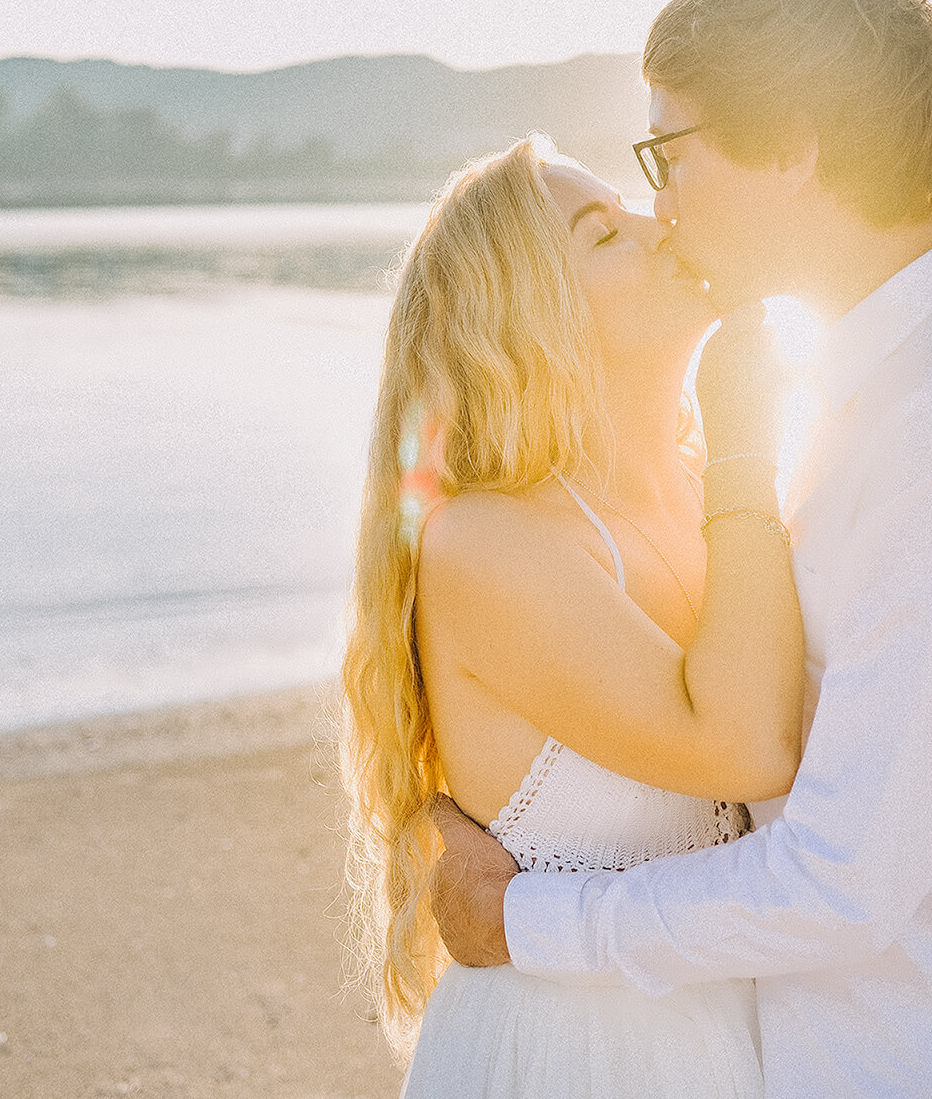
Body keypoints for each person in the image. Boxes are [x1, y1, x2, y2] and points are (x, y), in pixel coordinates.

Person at [428, 0, 932, 1096]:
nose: (659, 201)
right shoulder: (883, 395)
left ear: (796, 148)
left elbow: (838, 883)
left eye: (668, 151)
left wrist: (520, 919)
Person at [338, 134, 811, 1097]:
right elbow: (745, 748)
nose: (660, 218)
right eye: (606, 233)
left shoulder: (715, 497)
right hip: (576, 1057)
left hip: (747, 1036)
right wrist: (745, 438)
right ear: (532, 321)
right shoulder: (486, 542)